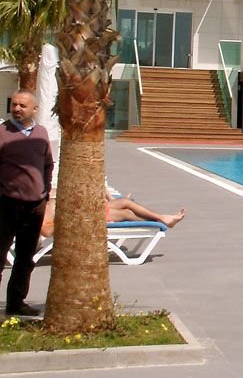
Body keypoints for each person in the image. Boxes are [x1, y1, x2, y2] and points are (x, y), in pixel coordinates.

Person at [0, 90, 54, 317]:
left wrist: (45, 192)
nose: (17, 109)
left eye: (22, 105)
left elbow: (48, 164)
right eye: (14, 104)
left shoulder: (41, 133)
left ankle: (16, 302)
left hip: (34, 207)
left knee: (25, 258)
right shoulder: (2, 132)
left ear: (34, 109)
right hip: (6, 205)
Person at [39, 193, 186, 237]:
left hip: (84, 209)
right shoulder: (37, 214)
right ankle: (163, 219)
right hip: (84, 217)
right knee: (126, 212)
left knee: (125, 202)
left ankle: (163, 218)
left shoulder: (42, 203)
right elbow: (47, 232)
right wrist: (68, 220)